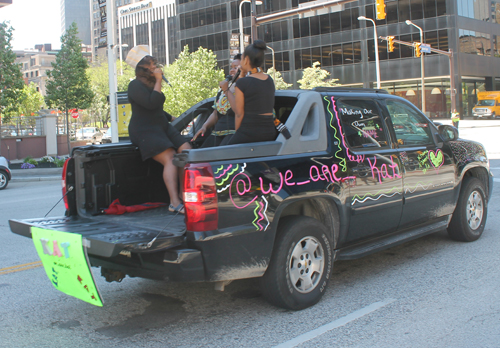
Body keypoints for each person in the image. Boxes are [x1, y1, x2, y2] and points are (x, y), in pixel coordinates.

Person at [126, 45, 190, 214]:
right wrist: (159, 81)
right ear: (142, 66)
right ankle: (174, 202)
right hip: (144, 130)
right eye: (151, 63)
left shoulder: (152, 82)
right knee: (170, 158)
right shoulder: (134, 86)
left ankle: (186, 195)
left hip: (160, 125)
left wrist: (171, 118)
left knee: (186, 151)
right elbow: (151, 103)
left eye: (154, 62)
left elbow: (156, 109)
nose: (154, 66)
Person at [219, 40, 277, 145]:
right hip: (269, 131)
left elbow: (238, 112)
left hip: (250, 132)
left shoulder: (242, 83)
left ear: (245, 60)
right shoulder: (269, 79)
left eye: (241, 59)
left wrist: (226, 90)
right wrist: (242, 75)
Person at [192, 54, 242, 147]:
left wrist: (226, 90)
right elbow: (216, 113)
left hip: (234, 133)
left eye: (235, 68)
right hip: (217, 133)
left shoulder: (245, 88)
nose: (231, 70)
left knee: (221, 156)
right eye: (231, 67)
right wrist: (204, 126)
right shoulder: (223, 89)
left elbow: (238, 110)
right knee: (202, 155)